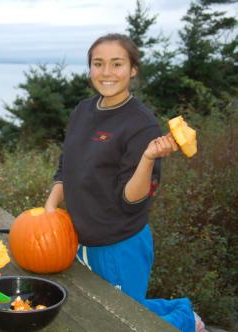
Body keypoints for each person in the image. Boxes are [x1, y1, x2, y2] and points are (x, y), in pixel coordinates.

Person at [44, 34, 205, 332]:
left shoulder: (140, 124)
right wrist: (50, 210)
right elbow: (66, 167)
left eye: (117, 64)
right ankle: (179, 308)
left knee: (122, 324)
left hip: (119, 245)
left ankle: (185, 321)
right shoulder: (82, 110)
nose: (106, 72)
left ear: (133, 69)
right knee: (98, 313)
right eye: (98, 64)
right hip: (79, 241)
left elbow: (131, 201)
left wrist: (147, 158)